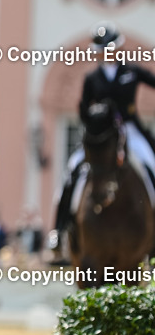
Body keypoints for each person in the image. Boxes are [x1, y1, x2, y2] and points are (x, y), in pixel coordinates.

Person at [49, 21, 155, 262]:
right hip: (102, 136)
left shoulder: (131, 72)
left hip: (130, 130)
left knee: (151, 165)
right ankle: (59, 230)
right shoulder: (92, 78)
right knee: (72, 171)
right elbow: (83, 109)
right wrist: (94, 119)